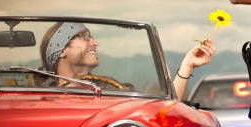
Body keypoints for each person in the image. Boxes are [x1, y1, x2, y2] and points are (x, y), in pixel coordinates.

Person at [40, 21, 215, 100]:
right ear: (61, 50)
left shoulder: (113, 90)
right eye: (84, 37)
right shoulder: (39, 96)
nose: (95, 42)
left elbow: (165, 107)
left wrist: (187, 65)